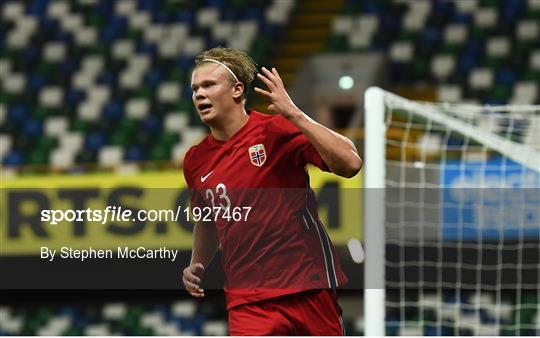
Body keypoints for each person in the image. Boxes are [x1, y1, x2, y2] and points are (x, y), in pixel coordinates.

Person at [182, 47, 362, 335]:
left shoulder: (277, 130)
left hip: (308, 285)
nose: (199, 94)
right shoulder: (195, 160)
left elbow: (351, 164)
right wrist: (198, 262)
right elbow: (206, 219)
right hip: (248, 301)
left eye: (209, 85)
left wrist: (294, 113)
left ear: (237, 90)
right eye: (194, 89)